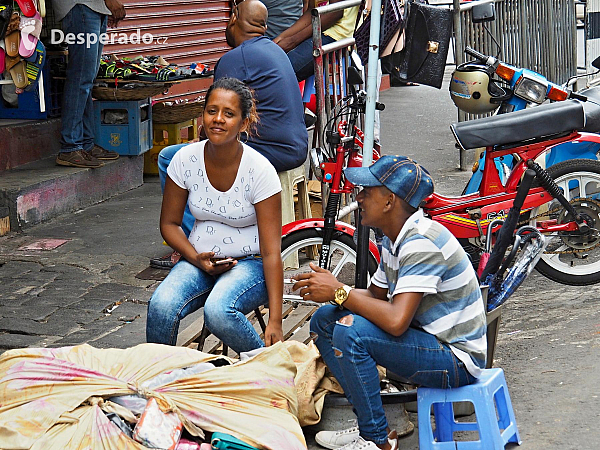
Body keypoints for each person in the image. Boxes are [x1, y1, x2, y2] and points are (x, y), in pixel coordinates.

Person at [293, 156, 487, 450]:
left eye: (367, 191)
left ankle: (376, 439)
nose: (359, 197)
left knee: (349, 330)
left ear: (389, 201)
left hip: (455, 359)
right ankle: (371, 427)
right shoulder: (395, 237)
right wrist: (333, 291)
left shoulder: (420, 241)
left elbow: (396, 321)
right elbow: (374, 298)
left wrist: (338, 292)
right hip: (428, 342)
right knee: (325, 321)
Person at [151, 0, 307, 268]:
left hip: (269, 150)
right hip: (295, 148)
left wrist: (200, 142)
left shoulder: (235, 59)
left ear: (234, 16)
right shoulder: (275, 50)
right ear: (263, 26)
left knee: (169, 158)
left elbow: (215, 120)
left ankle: (192, 247)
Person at [146, 77, 284, 352]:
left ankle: (267, 372)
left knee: (219, 310)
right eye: (212, 111)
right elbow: (169, 224)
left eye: (229, 114)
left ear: (244, 123)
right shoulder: (184, 160)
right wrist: (195, 257)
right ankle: (162, 382)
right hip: (199, 259)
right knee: (161, 305)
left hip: (250, 264)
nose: (218, 119)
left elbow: (271, 253)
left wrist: (276, 320)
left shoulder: (259, 170)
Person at [52, 0, 125, 168]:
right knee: (81, 78)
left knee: (87, 80)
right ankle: (70, 147)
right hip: (81, 6)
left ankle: (85, 144)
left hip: (93, 7)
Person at [273, 0, 359, 81]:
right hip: (317, 30)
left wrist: (293, 41)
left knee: (281, 69)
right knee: (272, 62)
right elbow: (312, 12)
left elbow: (336, 12)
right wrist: (281, 38)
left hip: (338, 36)